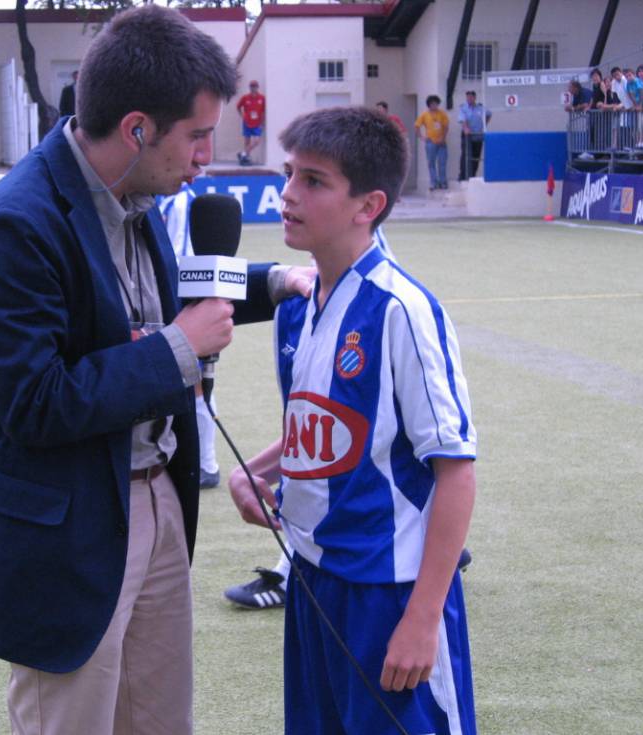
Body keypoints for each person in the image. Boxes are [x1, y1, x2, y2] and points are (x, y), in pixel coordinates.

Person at [0, 6, 311, 735]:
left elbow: (168, 302)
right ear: (138, 128)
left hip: (158, 497)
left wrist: (276, 283)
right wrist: (177, 349)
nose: (206, 157)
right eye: (197, 136)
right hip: (67, 528)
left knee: (162, 722)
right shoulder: (15, 226)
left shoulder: (133, 194)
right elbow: (36, 402)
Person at [228, 105, 477, 734]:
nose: (288, 193)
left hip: (388, 591)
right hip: (312, 577)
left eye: (313, 180)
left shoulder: (401, 310)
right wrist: (253, 470)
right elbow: (338, 428)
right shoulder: (296, 305)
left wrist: (422, 618)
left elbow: (455, 471)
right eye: (289, 174)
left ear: (368, 205)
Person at [158, 181, 221, 489]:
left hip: (181, 297)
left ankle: (206, 463)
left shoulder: (181, 201)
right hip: (178, 295)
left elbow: (180, 254)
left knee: (195, 383)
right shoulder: (165, 198)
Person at [414, 94, 449, 190]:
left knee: (442, 163)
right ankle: (433, 182)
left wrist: (443, 138)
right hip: (430, 142)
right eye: (432, 104)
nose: (435, 105)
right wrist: (421, 137)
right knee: (431, 163)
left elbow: (446, 127)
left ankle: (443, 182)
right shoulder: (425, 115)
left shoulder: (442, 114)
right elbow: (417, 126)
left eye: (436, 103)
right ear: (429, 105)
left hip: (441, 142)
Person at [457, 89, 490, 180]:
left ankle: (472, 175)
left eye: (471, 97)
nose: (469, 99)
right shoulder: (463, 108)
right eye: (468, 97)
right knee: (466, 155)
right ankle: (463, 176)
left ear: (475, 98)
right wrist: (466, 128)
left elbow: (489, 114)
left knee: (476, 156)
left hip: (478, 135)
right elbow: (462, 120)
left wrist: (484, 125)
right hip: (468, 135)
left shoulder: (480, 108)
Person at [236, 79, 265, 165]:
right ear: (249, 88)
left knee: (256, 141)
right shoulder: (245, 98)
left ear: (257, 87)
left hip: (257, 123)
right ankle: (246, 159)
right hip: (247, 123)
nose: (253, 88)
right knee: (247, 142)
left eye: (255, 86)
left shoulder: (262, 98)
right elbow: (238, 107)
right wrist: (242, 116)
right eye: (252, 86)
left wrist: (262, 123)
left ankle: (243, 154)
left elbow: (263, 111)